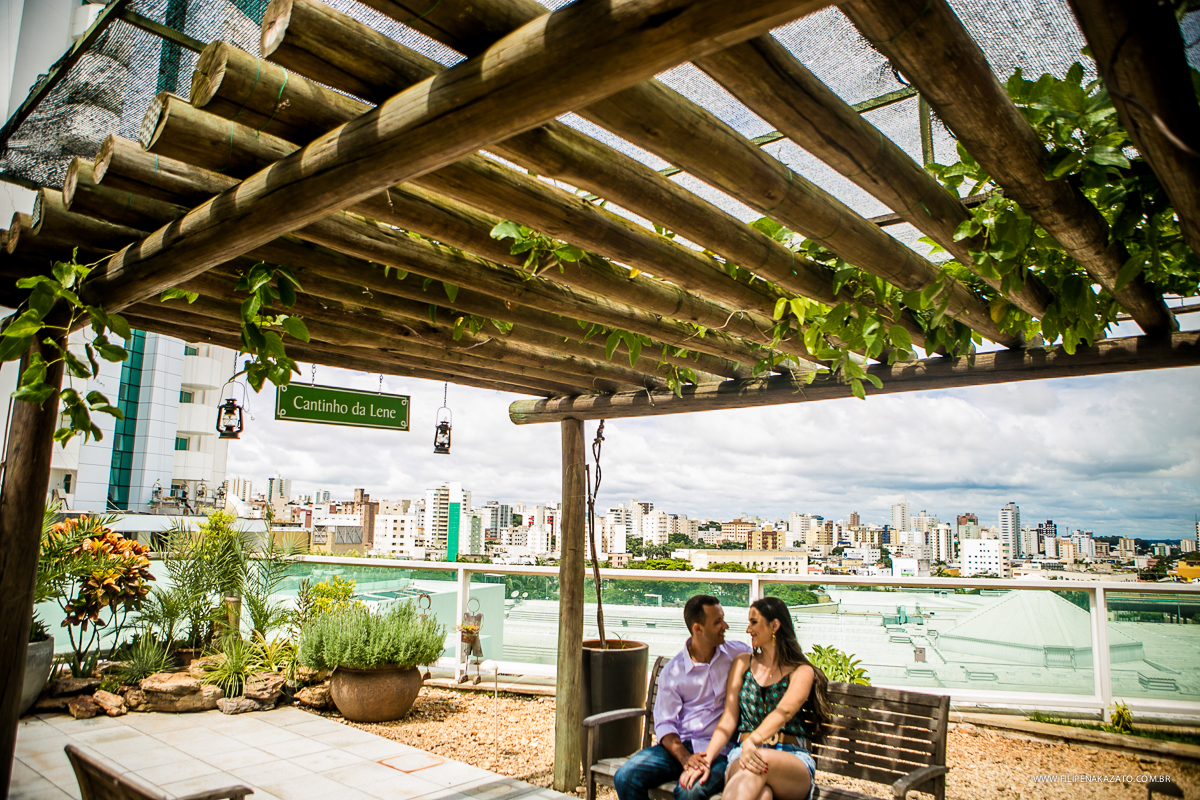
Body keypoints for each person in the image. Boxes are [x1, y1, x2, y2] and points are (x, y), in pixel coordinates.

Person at [680, 597, 831, 800]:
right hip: (742, 754)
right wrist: (707, 760)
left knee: (760, 760)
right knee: (763, 795)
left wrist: (754, 740)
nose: (748, 629)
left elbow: (785, 710)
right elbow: (728, 719)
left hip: (791, 758)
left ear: (774, 625)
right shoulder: (742, 663)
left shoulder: (801, 671)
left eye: (754, 622)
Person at [613, 595, 752, 800]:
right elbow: (665, 723)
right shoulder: (673, 671)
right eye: (718, 622)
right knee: (625, 777)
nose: (725, 626)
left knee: (689, 792)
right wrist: (685, 757)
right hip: (682, 747)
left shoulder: (738, 654)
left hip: (720, 751)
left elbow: (770, 663)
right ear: (698, 629)